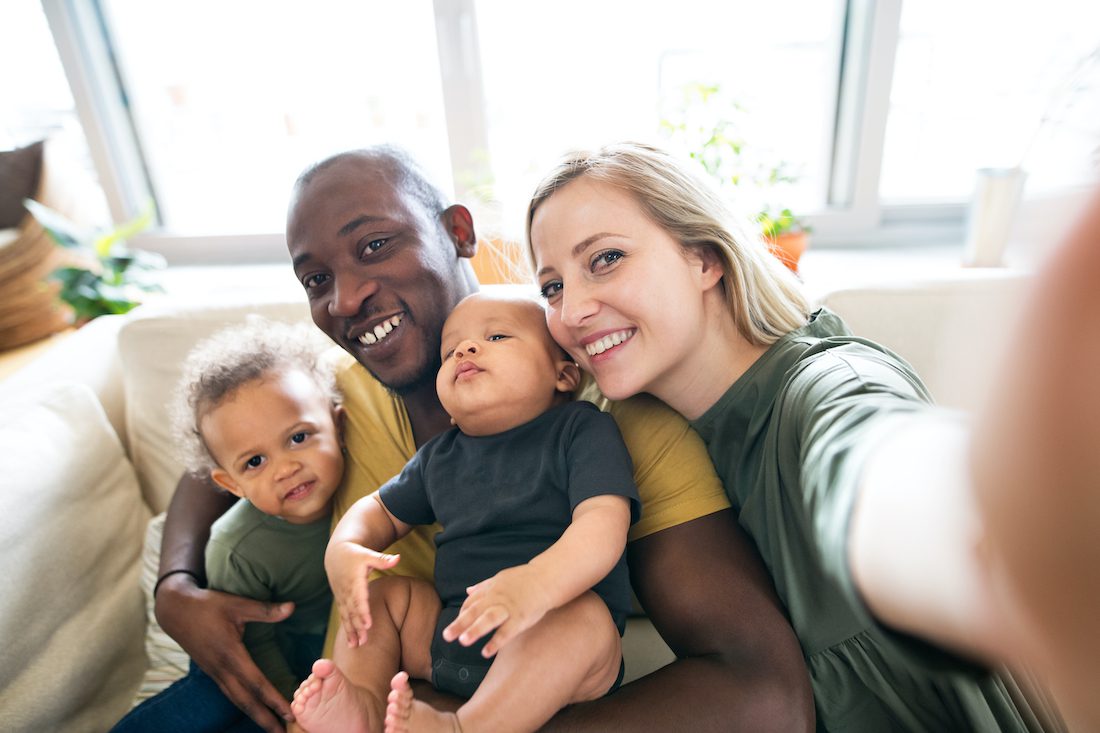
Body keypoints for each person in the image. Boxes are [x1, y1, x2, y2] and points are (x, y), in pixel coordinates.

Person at [153, 145, 814, 733]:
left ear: (458, 232)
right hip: (391, 675)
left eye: (376, 244)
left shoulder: (612, 419)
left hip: (518, 677)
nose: (345, 298)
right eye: (315, 280)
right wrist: (176, 585)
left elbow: (766, 696)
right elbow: (218, 455)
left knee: (573, 616)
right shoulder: (337, 397)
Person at [526, 140, 1092, 732]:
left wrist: (982, 536)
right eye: (552, 287)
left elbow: (883, 464)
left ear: (703, 259)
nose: (571, 313)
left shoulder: (825, 386)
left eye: (606, 258)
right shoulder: (640, 444)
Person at [292, 292, 640, 733]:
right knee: (385, 599)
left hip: (559, 647)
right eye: (449, 350)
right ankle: (363, 704)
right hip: (454, 635)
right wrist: (344, 547)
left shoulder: (581, 429)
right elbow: (378, 508)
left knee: (583, 617)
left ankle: (463, 727)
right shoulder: (440, 456)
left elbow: (602, 527)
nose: (465, 350)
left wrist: (536, 585)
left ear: (564, 374)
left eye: (496, 336)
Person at [112, 319, 345, 732]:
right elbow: (250, 646)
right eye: (255, 462)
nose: (286, 468)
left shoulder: (368, 490)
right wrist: (293, 713)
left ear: (338, 425)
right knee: (210, 705)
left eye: (298, 437)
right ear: (231, 484)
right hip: (250, 657)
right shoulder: (235, 546)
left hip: (321, 650)